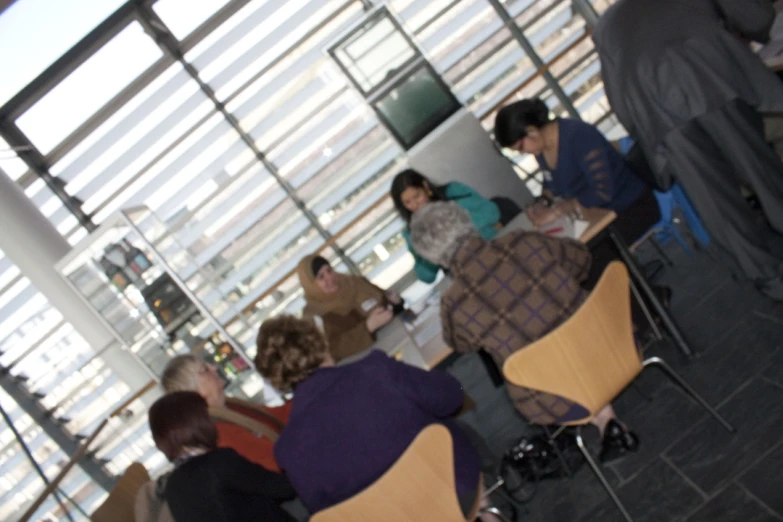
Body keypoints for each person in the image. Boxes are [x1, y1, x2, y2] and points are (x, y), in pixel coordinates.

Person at [410, 202, 639, 462]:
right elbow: (582, 260)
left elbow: (461, 344)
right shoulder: (524, 242)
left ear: (434, 258)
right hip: (613, 346)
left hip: (554, 396)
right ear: (467, 222)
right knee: (558, 326)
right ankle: (606, 419)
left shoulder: (456, 305)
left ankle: (604, 419)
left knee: (536, 352)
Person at [593, 0, 783, 301]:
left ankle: (771, 279)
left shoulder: (606, 25)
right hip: (710, 81)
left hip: (659, 114)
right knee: (760, 171)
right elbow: (755, 15)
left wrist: (646, 134)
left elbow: (617, 96)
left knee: (716, 202)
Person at [254, 315, 489, 518]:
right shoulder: (376, 371)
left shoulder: (287, 451)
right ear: (318, 342)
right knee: (459, 433)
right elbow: (452, 396)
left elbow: (329, 513)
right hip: (452, 492)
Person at [494, 98, 659, 246]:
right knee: (569, 252)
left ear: (531, 131)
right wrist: (541, 204)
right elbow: (551, 183)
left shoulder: (579, 136)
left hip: (631, 206)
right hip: (596, 213)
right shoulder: (541, 149)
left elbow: (603, 192)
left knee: (585, 257)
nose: (522, 153)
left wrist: (557, 211)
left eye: (520, 147)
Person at [146, 391, 297, 522]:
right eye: (206, 415)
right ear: (198, 424)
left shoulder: (173, 487)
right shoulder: (220, 462)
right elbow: (285, 489)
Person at [161, 354, 291, 472]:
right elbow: (273, 462)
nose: (214, 367)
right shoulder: (218, 432)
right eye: (205, 369)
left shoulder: (229, 405)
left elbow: (278, 416)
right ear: (195, 392)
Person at [390, 169, 506, 283]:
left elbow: (491, 212)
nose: (415, 205)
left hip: (493, 249)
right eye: (407, 202)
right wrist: (429, 253)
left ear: (425, 187)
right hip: (468, 276)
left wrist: (447, 234)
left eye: (417, 196)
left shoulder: (453, 192)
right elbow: (426, 276)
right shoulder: (413, 232)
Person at [296, 254, 402, 362]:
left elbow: (384, 298)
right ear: (310, 285)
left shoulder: (354, 282)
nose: (329, 278)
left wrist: (396, 303)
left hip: (397, 340)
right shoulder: (312, 317)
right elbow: (330, 350)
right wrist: (368, 327)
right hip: (361, 365)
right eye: (321, 277)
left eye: (329, 270)